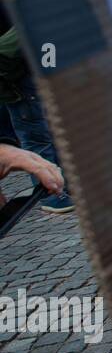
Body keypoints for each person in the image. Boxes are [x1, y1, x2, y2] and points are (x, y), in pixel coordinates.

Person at [0, 20, 73, 212]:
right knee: (37, 140)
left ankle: (61, 186)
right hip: (20, 87)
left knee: (46, 136)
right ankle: (53, 197)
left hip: (24, 82)